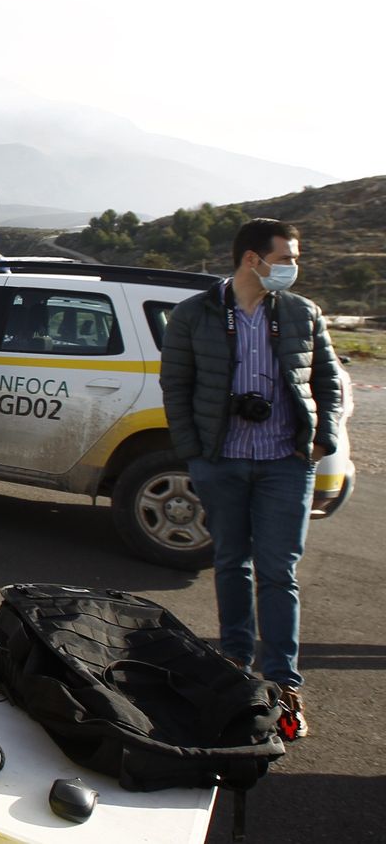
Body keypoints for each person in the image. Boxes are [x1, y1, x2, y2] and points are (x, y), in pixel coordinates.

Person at [160, 218, 342, 740]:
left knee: (278, 571)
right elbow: (175, 383)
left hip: (285, 462)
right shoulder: (195, 314)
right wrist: (194, 453)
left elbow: (327, 378)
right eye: (286, 258)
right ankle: (236, 662)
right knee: (230, 563)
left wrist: (322, 438)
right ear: (251, 260)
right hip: (222, 461)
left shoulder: (302, 313)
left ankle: (284, 683)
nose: (293, 267)